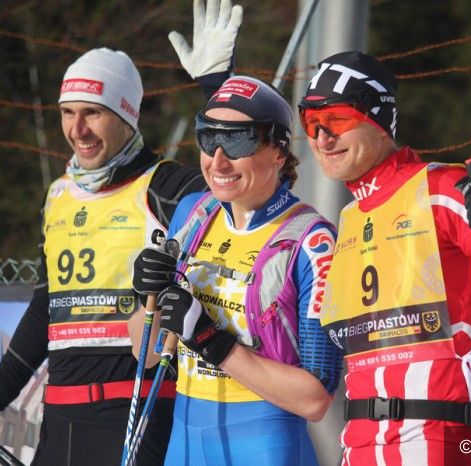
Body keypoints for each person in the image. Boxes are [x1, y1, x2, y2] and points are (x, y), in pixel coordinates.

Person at [0, 10, 242, 461]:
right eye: (67, 113)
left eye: (92, 113)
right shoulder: (58, 195)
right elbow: (46, 308)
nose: (77, 130)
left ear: (127, 115)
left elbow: (243, 188)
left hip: (135, 414)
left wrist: (218, 89)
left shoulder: (165, 187)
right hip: (60, 418)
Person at [295, 51, 471, 466]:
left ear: (378, 119)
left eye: (336, 119)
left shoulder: (440, 190)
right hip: (358, 445)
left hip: (433, 442)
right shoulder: (351, 217)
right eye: (311, 122)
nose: (322, 138)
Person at [129, 75, 344, 465]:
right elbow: (145, 353)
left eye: (238, 142)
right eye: (208, 138)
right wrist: (149, 300)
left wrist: (210, 340)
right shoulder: (194, 214)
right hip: (185, 443)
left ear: (278, 152)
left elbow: (315, 399)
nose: (218, 161)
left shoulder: (310, 240)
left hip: (262, 444)